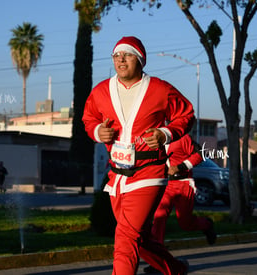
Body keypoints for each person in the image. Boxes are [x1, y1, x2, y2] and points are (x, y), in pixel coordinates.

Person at [83, 36, 195, 275]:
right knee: (139, 239)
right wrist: (96, 131)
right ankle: (174, 269)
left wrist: (165, 133)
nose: (121, 59)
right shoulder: (101, 90)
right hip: (117, 177)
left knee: (124, 239)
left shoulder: (160, 89)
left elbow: (186, 115)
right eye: (116, 55)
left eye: (128, 54)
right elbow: (88, 117)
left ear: (141, 60)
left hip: (149, 173)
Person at [144, 134, 217, 274]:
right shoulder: (153, 137)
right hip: (165, 184)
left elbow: (200, 154)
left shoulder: (181, 137)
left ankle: (206, 224)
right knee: (159, 219)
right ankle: (159, 261)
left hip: (183, 183)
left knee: (185, 223)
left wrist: (180, 167)